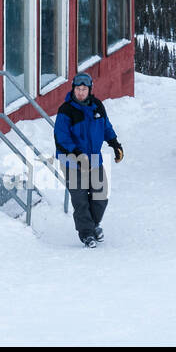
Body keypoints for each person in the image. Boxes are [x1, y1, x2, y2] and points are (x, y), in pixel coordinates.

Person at [54, 72, 123, 248]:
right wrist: (77, 154)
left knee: (101, 196)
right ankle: (87, 234)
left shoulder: (97, 106)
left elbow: (106, 126)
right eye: (78, 89)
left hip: (93, 158)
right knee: (80, 199)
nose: (81, 92)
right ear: (73, 89)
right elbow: (61, 138)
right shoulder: (66, 110)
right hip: (71, 161)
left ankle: (93, 225)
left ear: (90, 89)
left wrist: (115, 144)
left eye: (84, 89)